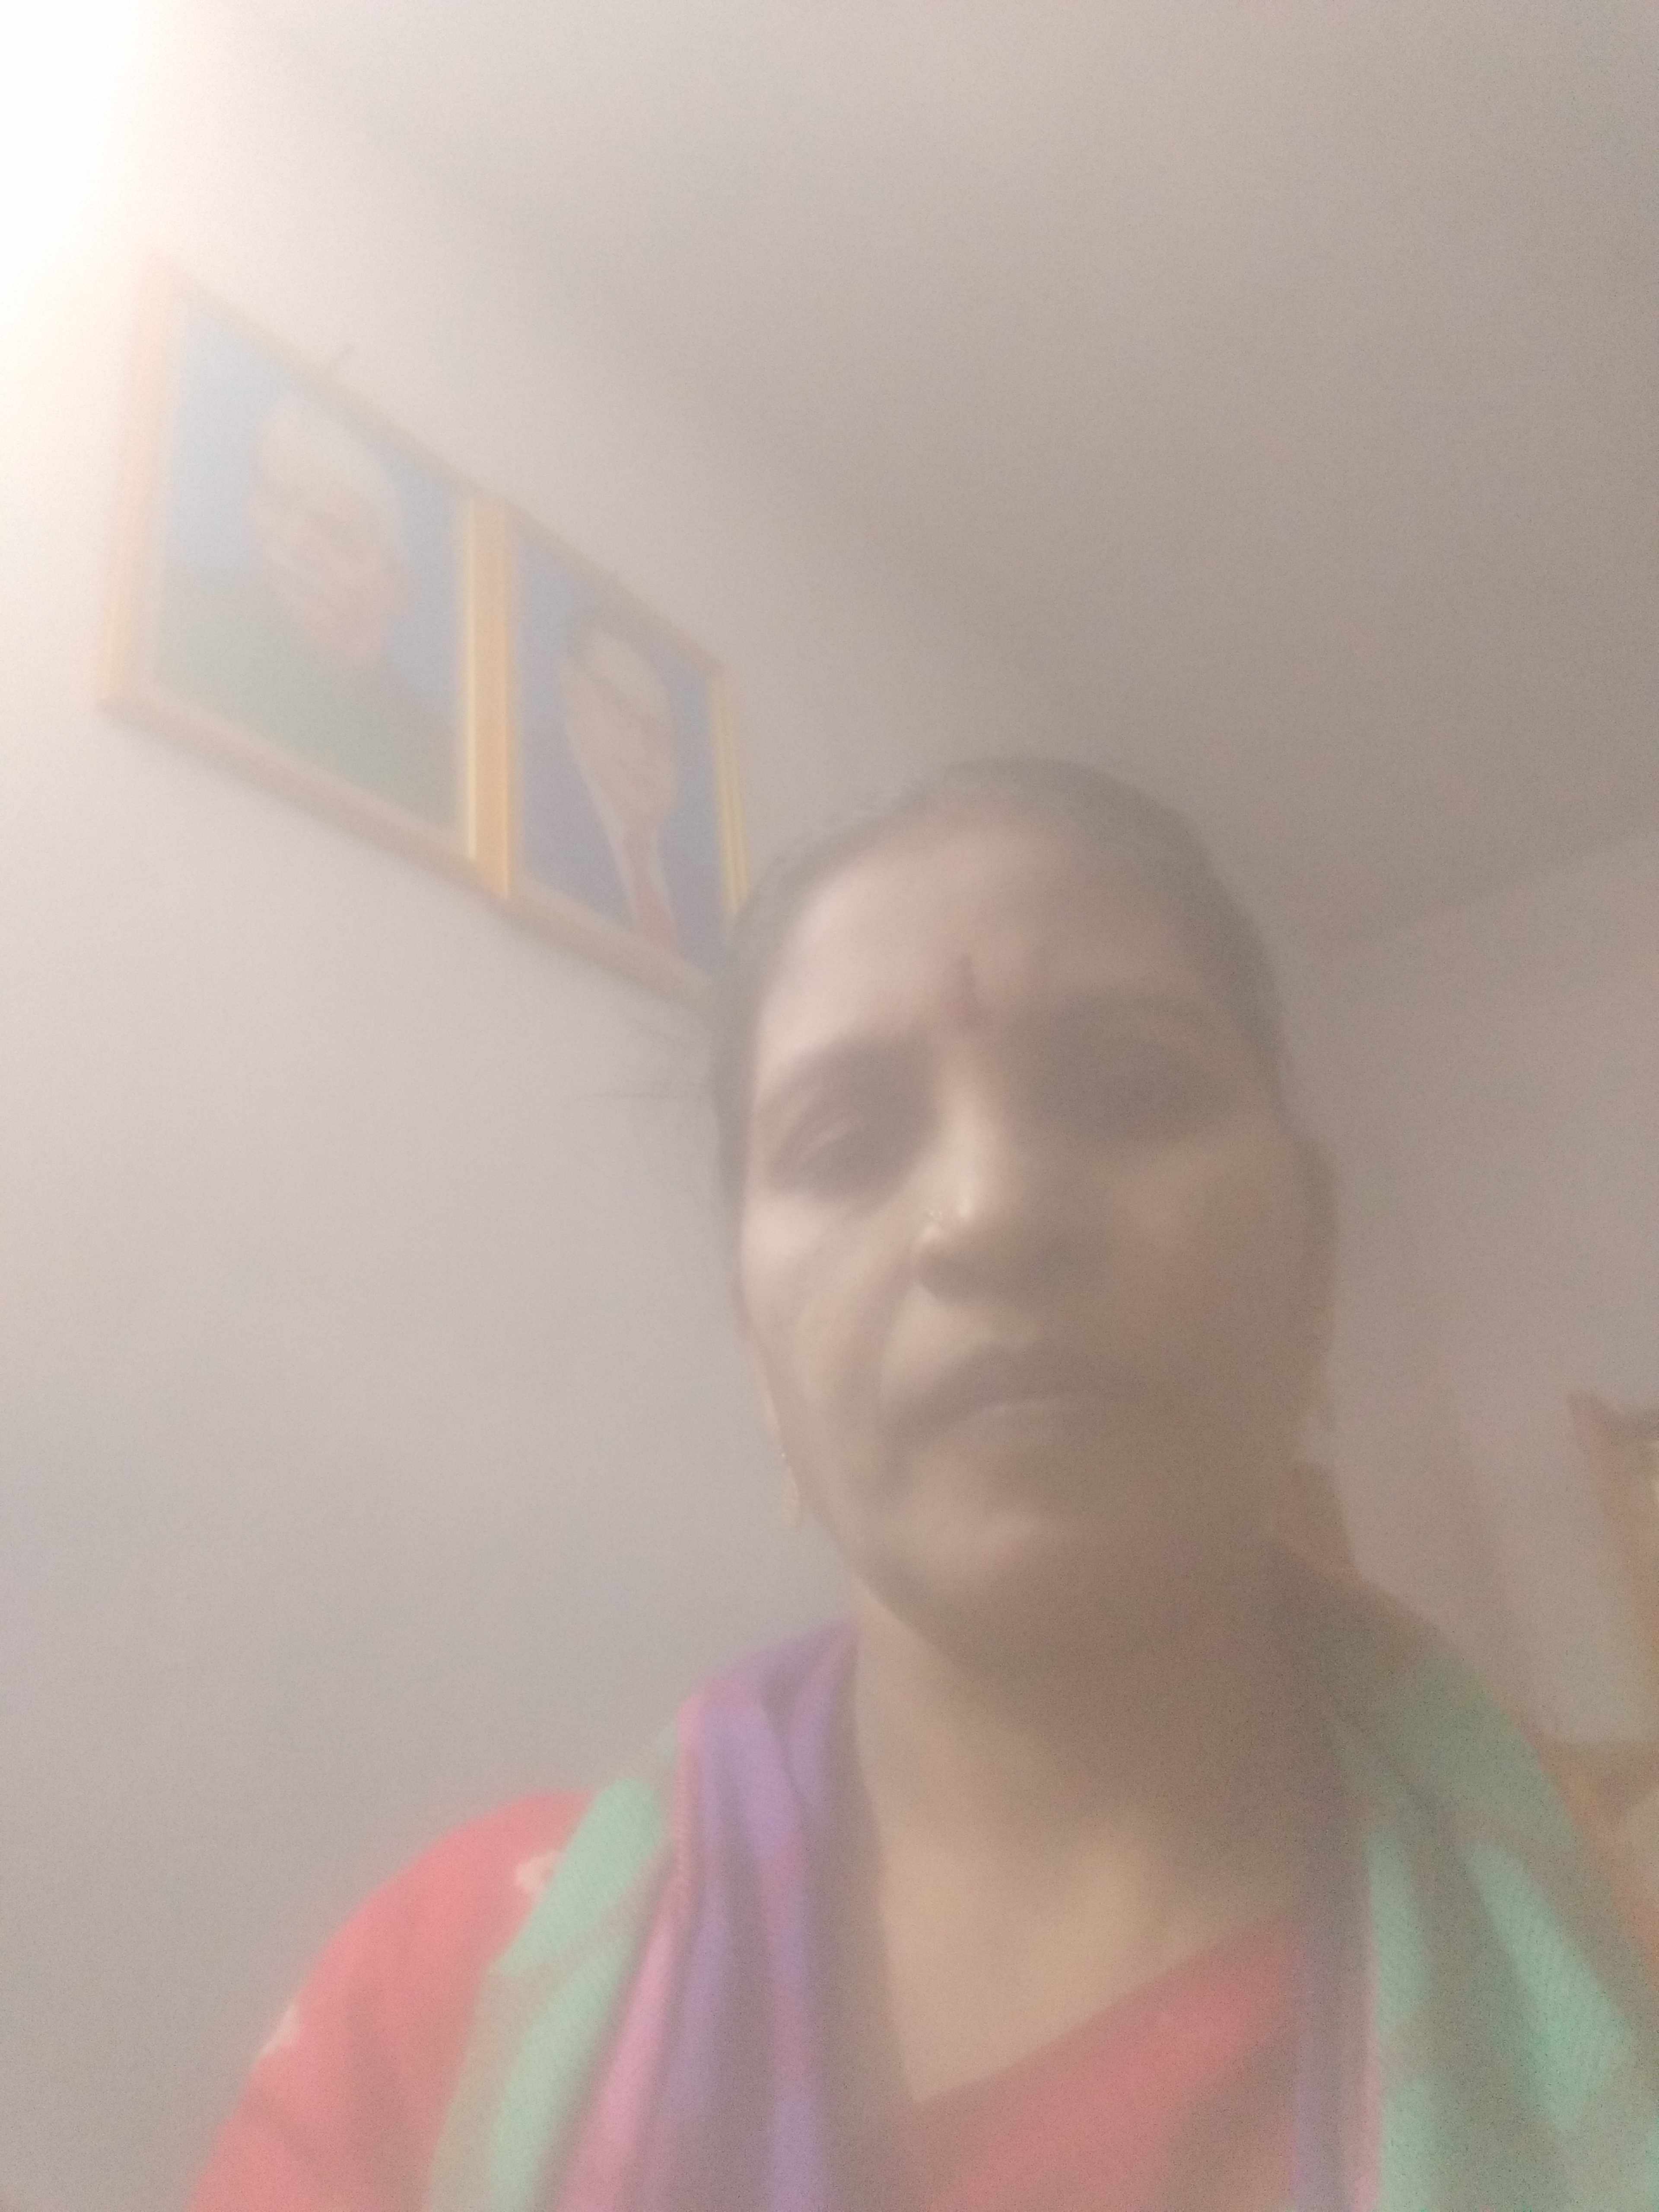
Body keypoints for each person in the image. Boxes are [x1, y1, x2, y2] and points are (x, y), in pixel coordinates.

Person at [191, 759, 1659, 2212]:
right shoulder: (439, 2007)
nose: (992, 1212)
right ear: (760, 1360)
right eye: (845, 1143)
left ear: (1315, 1266)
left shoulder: (1626, 1940)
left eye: (1133, 1090)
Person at [155, 392, 456, 826]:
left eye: (335, 532)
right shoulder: (185, 615)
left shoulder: (429, 756)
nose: (295, 544)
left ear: (395, 588)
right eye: (279, 504)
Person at [520, 607, 725, 967]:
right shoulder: (525, 806)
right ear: (571, 688)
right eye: (618, 705)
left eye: (657, 729)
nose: (640, 746)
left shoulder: (698, 890)